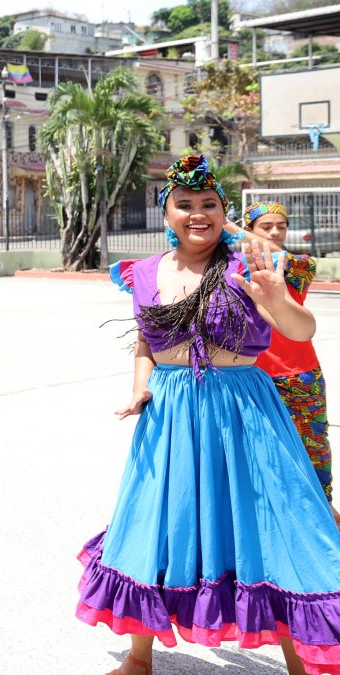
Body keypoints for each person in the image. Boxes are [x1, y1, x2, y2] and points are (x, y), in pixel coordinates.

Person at [78, 156, 340, 675]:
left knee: (273, 526)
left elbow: (302, 330)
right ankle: (138, 658)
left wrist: (276, 298)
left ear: (224, 212)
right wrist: (139, 390)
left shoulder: (249, 265)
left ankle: (300, 664)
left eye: (209, 205)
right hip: (170, 414)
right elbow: (144, 346)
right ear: (166, 212)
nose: (198, 213)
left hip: (243, 411)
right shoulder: (145, 272)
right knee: (157, 525)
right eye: (185, 204)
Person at [228, 202, 337, 529]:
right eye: (266, 226)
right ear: (252, 228)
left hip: (300, 376)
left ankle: (327, 520)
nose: (276, 232)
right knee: (263, 459)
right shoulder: (233, 268)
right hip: (253, 379)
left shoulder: (298, 266)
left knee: (313, 453)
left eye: (281, 225)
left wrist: (228, 225)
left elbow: (273, 251)